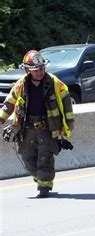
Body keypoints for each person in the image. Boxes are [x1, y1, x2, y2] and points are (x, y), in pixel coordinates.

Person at [0, 50, 75, 197]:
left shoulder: (55, 83)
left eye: (42, 69)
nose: (40, 72)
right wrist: (2, 117)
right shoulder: (21, 85)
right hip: (26, 129)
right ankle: (40, 178)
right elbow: (9, 102)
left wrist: (69, 120)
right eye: (36, 70)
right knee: (27, 157)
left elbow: (66, 100)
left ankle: (44, 187)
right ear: (28, 70)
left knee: (45, 157)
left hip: (48, 128)